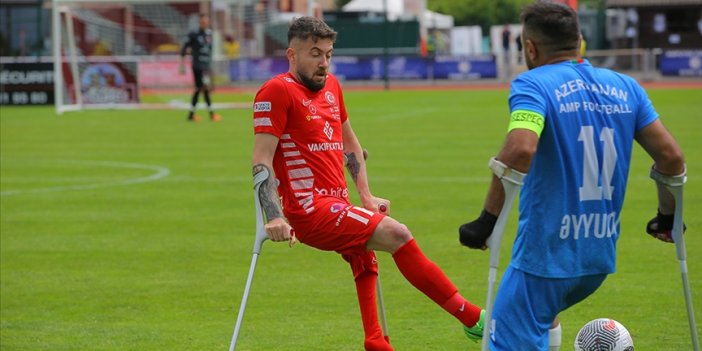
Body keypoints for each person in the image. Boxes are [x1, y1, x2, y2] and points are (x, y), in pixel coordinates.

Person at [458, 2, 685, 351]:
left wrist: (487, 220)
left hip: (545, 256)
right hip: (596, 260)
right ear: (579, 41)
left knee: (508, 335)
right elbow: (671, 158)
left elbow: (520, 149)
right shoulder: (627, 87)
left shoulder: (533, 86)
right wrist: (668, 217)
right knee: (545, 316)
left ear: (530, 48)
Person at [252, 16, 485, 351]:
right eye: (315, 54)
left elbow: (350, 145)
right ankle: (473, 319)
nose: (324, 63)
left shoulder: (331, 86)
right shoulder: (276, 91)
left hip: (337, 202)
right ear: (292, 54)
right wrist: (273, 215)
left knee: (364, 255)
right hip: (308, 209)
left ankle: (375, 339)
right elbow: (261, 159)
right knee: (397, 233)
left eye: (329, 54)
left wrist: (366, 195)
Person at [180, 14, 220, 122]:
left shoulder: (209, 34)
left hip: (206, 66)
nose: (204, 24)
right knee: (205, 88)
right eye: (202, 22)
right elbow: (184, 48)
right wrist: (182, 64)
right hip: (198, 66)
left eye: (206, 22)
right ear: (199, 23)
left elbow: (210, 51)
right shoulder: (193, 34)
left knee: (199, 89)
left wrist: (210, 65)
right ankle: (211, 114)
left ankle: (191, 115)